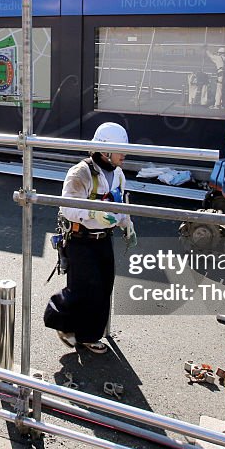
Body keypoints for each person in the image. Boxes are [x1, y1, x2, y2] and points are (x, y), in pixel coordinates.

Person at [44, 121, 137, 355]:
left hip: (103, 239)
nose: (124, 154)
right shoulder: (81, 173)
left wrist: (127, 225)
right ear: (105, 150)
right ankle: (62, 322)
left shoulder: (118, 174)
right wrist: (93, 213)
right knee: (82, 290)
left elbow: (120, 205)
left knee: (104, 287)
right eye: (120, 150)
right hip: (81, 240)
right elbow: (67, 208)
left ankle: (87, 335)